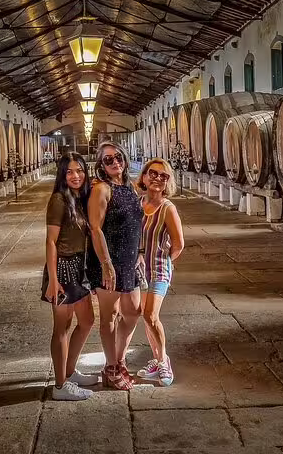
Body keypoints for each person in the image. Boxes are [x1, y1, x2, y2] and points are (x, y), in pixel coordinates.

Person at [87, 141, 143, 390]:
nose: (114, 162)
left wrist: (139, 252)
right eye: (107, 159)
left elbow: (135, 223)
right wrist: (106, 264)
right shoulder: (102, 189)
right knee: (109, 315)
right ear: (101, 165)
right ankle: (111, 368)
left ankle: (119, 360)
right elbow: (95, 228)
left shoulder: (129, 186)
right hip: (109, 259)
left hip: (129, 259)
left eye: (117, 157)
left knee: (133, 311)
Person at [42, 152, 98, 401]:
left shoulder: (80, 198)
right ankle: (60, 385)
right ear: (62, 175)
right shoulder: (58, 200)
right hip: (63, 269)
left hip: (79, 268)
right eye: (70, 172)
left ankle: (70, 370)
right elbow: (51, 242)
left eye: (80, 170)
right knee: (62, 328)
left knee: (86, 321)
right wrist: (53, 280)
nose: (76, 176)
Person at [135, 159, 184, 386]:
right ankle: (156, 360)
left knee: (151, 316)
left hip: (159, 270)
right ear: (144, 177)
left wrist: (164, 262)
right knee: (145, 317)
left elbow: (179, 244)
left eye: (163, 176)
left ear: (167, 182)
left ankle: (164, 361)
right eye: (153, 174)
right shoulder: (137, 204)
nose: (157, 178)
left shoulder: (168, 209)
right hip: (139, 272)